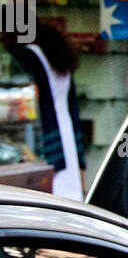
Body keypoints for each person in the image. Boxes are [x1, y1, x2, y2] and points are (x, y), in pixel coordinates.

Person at [8, 23, 86, 199]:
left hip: (46, 136)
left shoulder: (27, 56)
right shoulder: (57, 57)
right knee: (68, 199)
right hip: (66, 137)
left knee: (51, 196)